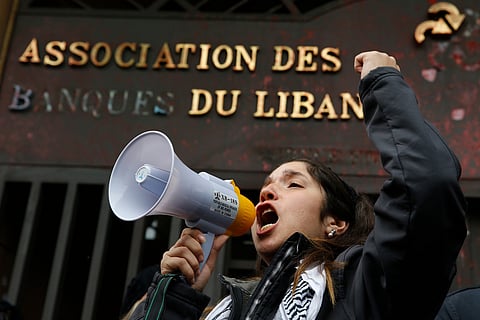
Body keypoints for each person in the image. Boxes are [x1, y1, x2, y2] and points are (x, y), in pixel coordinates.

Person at [123, 51, 468, 320]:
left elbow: (428, 185)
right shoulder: (229, 308)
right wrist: (171, 297)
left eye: (294, 184)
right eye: (267, 186)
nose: (268, 192)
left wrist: (384, 84)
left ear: (335, 222)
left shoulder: (370, 289)